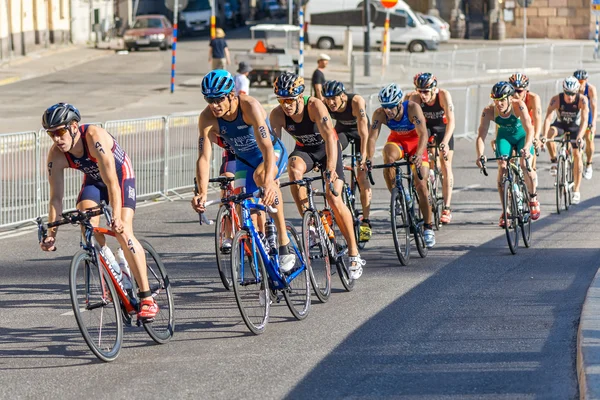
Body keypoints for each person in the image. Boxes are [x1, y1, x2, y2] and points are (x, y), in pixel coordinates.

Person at [40, 103, 159, 319]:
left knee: (123, 231)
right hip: (94, 182)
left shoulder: (94, 136)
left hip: (120, 177)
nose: (56, 139)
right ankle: (115, 272)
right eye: (51, 134)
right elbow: (56, 198)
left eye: (60, 132)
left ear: (74, 126)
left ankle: (147, 297)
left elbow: (112, 181)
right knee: (88, 228)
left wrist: (115, 216)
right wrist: (51, 235)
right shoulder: (55, 155)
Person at [192, 70, 295, 271]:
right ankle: (264, 259)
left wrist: (269, 183)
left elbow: (266, 147)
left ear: (231, 94)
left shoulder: (249, 106)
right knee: (241, 205)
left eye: (218, 99)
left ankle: (284, 242)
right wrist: (201, 193)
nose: (214, 105)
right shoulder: (206, 118)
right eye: (209, 99)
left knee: (262, 178)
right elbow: (204, 158)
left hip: (270, 153)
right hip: (243, 160)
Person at [269, 72, 365, 280]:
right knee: (293, 168)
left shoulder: (314, 106)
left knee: (334, 198)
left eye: (289, 100)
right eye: (281, 100)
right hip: (305, 151)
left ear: (300, 96)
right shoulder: (277, 115)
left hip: (328, 149)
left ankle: (354, 253)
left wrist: (330, 169)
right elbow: (274, 148)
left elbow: (331, 137)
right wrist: (272, 173)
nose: (286, 105)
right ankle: (311, 223)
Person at [368, 83, 436, 248]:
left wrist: (419, 154)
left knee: (421, 185)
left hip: (416, 143)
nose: (388, 111)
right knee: (387, 155)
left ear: (399, 103)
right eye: (385, 107)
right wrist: (368, 158)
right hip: (397, 141)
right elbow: (371, 138)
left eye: (391, 107)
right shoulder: (379, 114)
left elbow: (423, 133)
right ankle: (399, 195)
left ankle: (428, 226)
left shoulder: (412, 108)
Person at [475, 82, 539, 226]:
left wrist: (527, 147)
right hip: (505, 138)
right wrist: (480, 154)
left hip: (522, 137)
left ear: (510, 98)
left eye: (502, 100)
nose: (499, 104)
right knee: (502, 167)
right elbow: (481, 135)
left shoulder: (519, 105)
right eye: (496, 100)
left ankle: (533, 198)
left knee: (524, 164)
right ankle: (506, 210)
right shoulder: (489, 111)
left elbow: (530, 130)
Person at [321, 80, 373, 242]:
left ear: (343, 96)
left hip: (360, 133)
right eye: (327, 99)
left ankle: (366, 221)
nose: (330, 103)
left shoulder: (356, 102)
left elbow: (364, 132)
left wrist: (363, 156)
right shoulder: (325, 105)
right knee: (330, 154)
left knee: (362, 176)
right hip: (343, 131)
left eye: (334, 98)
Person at [408, 72, 456, 224]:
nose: (422, 95)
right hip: (425, 128)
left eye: (426, 92)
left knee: (445, 163)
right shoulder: (414, 98)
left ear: (434, 89)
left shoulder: (443, 95)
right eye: (420, 91)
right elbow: (412, 124)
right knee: (420, 156)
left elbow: (451, 121)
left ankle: (447, 208)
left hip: (443, 128)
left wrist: (446, 143)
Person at [541, 76, 589, 205]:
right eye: (567, 93)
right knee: (550, 134)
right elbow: (547, 119)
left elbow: (584, 121)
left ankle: (576, 191)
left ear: (577, 91)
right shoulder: (556, 99)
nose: (569, 97)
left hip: (575, 127)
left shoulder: (582, 100)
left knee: (577, 153)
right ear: (563, 90)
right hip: (560, 125)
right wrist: (544, 136)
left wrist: (580, 136)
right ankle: (554, 161)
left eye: (572, 94)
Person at [508, 73, 543, 175]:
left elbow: (537, 119)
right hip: (514, 127)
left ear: (526, 90)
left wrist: (536, 137)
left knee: (531, 145)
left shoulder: (533, 98)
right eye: (513, 91)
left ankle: (532, 172)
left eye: (519, 91)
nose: (516, 94)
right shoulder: (507, 99)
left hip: (529, 126)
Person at [574, 69, 597, 180]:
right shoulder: (572, 88)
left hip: (587, 116)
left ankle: (589, 163)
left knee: (589, 138)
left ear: (586, 80)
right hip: (576, 115)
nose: (579, 83)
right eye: (577, 80)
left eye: (582, 81)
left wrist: (593, 123)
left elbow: (594, 106)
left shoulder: (591, 89)